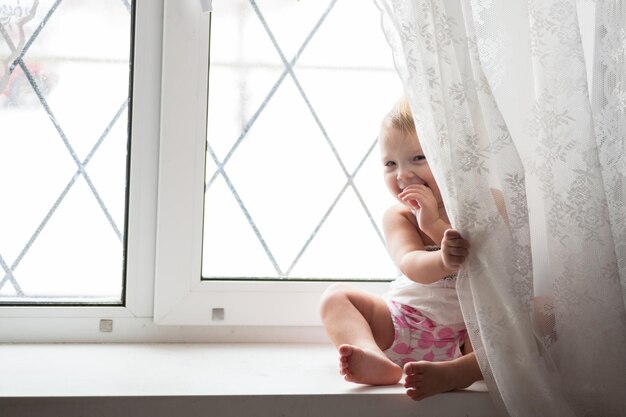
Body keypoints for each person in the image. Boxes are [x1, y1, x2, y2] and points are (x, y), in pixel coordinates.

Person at [319, 97, 483, 401]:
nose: (402, 175)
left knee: (537, 317)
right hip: (403, 322)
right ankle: (372, 356)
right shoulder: (399, 216)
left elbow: (485, 264)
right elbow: (411, 264)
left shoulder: (484, 206)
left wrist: (434, 223)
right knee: (335, 297)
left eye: (418, 158)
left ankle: (459, 372)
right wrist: (443, 257)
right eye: (390, 163)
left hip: (468, 336)